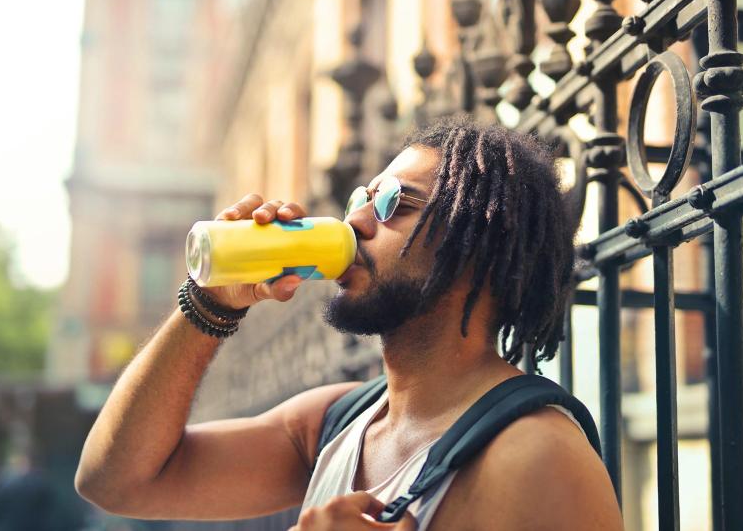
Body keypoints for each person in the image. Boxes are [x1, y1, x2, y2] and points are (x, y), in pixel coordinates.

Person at [75, 117, 624, 530]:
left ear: (480, 245)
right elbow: (117, 481)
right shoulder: (334, 423)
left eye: (394, 203)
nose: (355, 219)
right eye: (361, 198)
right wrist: (209, 303)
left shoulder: (536, 454)